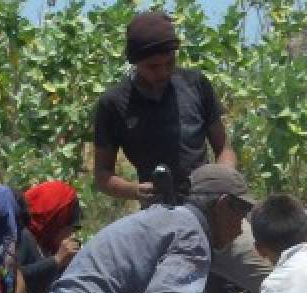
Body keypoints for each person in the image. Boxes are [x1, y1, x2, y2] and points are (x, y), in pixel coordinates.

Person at [41, 163, 252, 293]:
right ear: (223, 206)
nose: (240, 229)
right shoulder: (192, 238)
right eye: (241, 215)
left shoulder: (169, 220)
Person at [93, 9, 236, 203]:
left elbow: (224, 149)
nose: (163, 72)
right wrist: (134, 190)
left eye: (170, 63)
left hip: (207, 204)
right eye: (153, 67)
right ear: (135, 62)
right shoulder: (113, 104)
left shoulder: (196, 85)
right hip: (157, 211)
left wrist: (223, 182)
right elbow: (102, 174)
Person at [13, 181, 81, 293]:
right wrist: (56, 260)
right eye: (70, 226)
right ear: (56, 219)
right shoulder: (22, 235)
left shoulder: (46, 244)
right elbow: (12, 277)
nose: (72, 234)